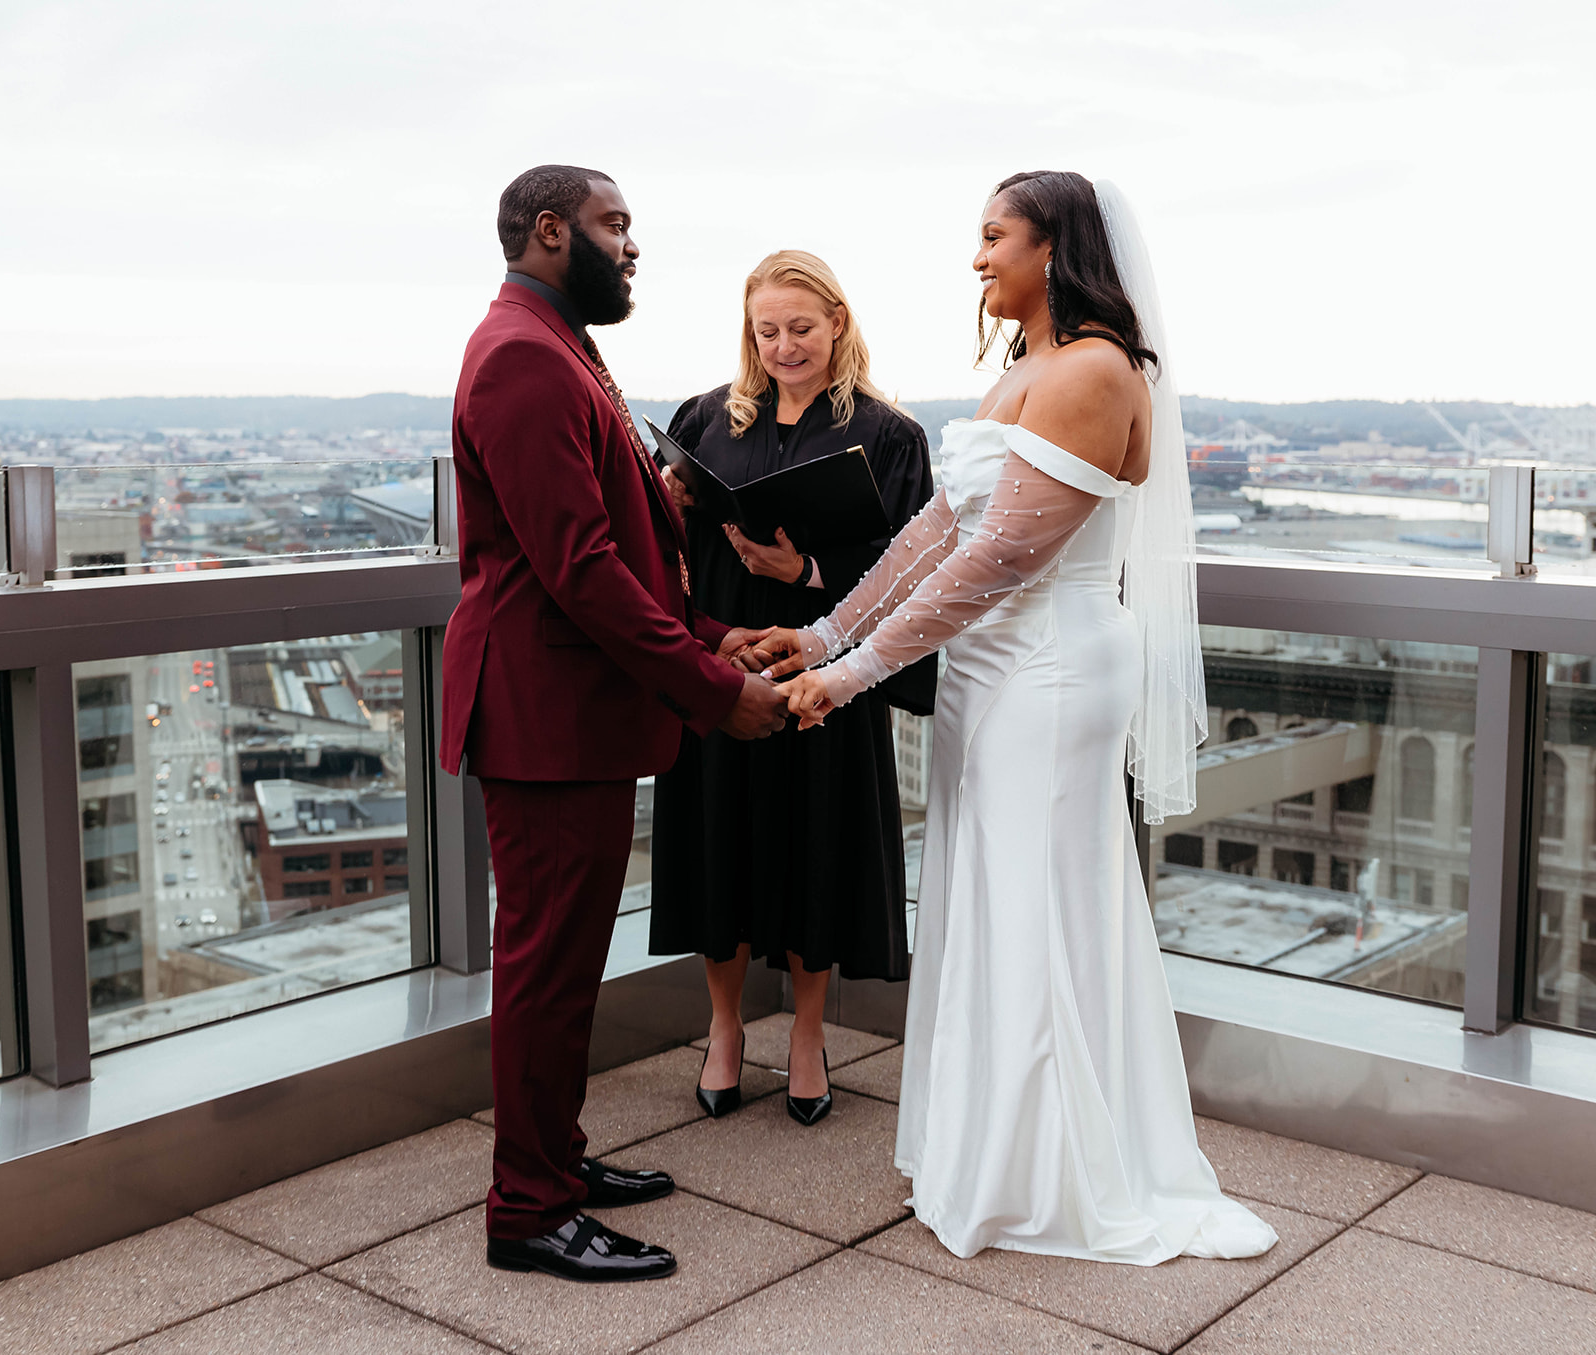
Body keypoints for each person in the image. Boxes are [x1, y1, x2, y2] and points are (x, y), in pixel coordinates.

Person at [759, 172, 1279, 1264]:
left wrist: (849, 678)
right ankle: (991, 1148)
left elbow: (1000, 560)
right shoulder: (1026, 369)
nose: (977, 257)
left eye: (993, 236)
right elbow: (933, 534)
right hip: (989, 671)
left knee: (1038, 908)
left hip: (1048, 667)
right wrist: (818, 635)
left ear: (1054, 250)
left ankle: (1051, 1175)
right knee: (992, 900)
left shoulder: (1094, 371)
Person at [440, 164, 789, 1283]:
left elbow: (607, 550)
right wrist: (706, 684)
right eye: (614, 225)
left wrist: (699, 632)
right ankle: (529, 1210)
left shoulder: (560, 346)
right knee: (543, 970)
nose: (632, 246)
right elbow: (576, 571)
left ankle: (557, 1162)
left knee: (563, 963)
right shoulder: (521, 359)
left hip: (573, 711)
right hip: (543, 717)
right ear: (551, 232)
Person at [648, 251, 936, 1126]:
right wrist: (669, 501)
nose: (782, 346)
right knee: (718, 844)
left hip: (824, 679)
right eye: (766, 330)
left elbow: (915, 571)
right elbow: (662, 555)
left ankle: (808, 1036)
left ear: (838, 323)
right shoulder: (703, 417)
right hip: (726, 663)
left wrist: (807, 569)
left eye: (800, 328)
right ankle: (726, 1028)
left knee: (818, 850)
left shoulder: (889, 435)